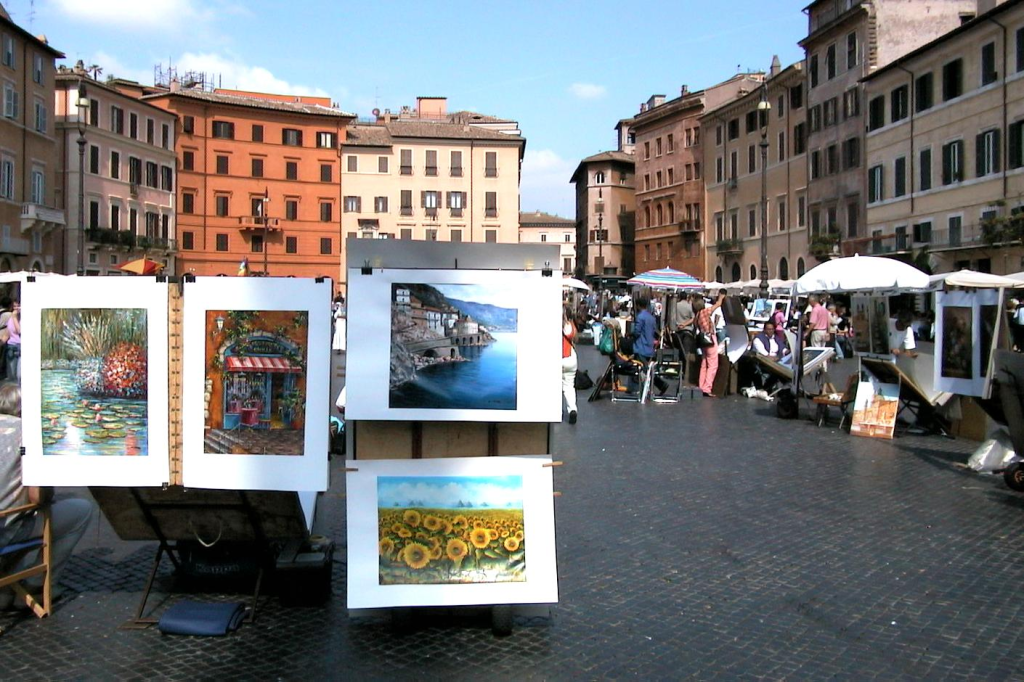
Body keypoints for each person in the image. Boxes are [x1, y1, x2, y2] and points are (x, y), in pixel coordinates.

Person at [0, 382, 93, 610]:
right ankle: (37, 585)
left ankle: (7, 589)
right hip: (5, 533)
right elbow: (37, 497)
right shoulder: (28, 433)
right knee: (81, 510)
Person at [695, 292, 727, 398]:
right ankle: (707, 387)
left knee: (704, 364)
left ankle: (701, 385)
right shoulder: (704, 312)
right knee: (713, 365)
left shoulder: (697, 315)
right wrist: (721, 298)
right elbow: (717, 305)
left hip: (702, 341)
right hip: (709, 339)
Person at [561, 306, 578, 424]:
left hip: (559, 359)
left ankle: (556, 411)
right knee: (569, 386)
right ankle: (572, 409)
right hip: (571, 359)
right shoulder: (571, 326)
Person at [632, 295, 656, 363]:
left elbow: (637, 332)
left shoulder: (640, 317)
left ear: (638, 306)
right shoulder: (651, 318)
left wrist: (631, 335)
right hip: (650, 347)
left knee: (641, 366)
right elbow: (653, 331)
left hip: (641, 348)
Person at [6, 299, 20, 382]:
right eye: (14, 306)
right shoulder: (10, 318)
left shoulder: (20, 318)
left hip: (20, 347)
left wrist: (14, 317)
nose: (16, 308)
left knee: (19, 375)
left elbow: (20, 331)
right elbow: (8, 333)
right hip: (11, 346)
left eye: (18, 306)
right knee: (11, 375)